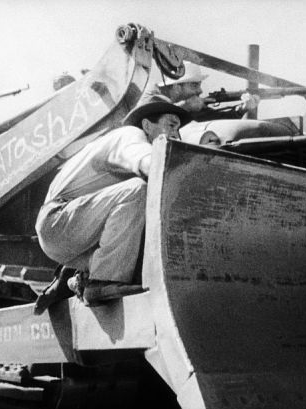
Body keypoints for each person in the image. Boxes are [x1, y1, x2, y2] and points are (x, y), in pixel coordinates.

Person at [33, 94, 190, 313]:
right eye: (171, 125)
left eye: (178, 128)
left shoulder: (119, 143)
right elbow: (151, 162)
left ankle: (76, 279)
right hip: (58, 221)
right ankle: (100, 283)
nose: (176, 134)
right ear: (147, 125)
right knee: (138, 190)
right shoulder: (131, 135)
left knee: (144, 208)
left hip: (71, 232)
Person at [154, 61, 260, 119]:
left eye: (199, 85)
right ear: (177, 88)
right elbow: (157, 119)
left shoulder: (197, 109)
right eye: (194, 85)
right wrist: (185, 106)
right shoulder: (155, 100)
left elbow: (220, 120)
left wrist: (242, 109)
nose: (200, 91)